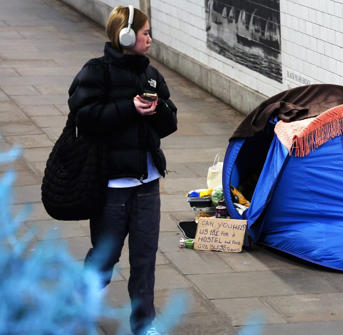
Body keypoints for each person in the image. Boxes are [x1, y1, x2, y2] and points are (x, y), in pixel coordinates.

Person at [67, 5, 177, 335]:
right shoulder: (95, 72)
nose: (150, 39)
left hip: (147, 183)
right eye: (145, 33)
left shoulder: (151, 74)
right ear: (126, 35)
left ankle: (144, 325)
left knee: (144, 260)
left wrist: (155, 110)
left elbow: (170, 122)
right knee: (106, 256)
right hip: (111, 186)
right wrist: (128, 108)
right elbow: (84, 117)